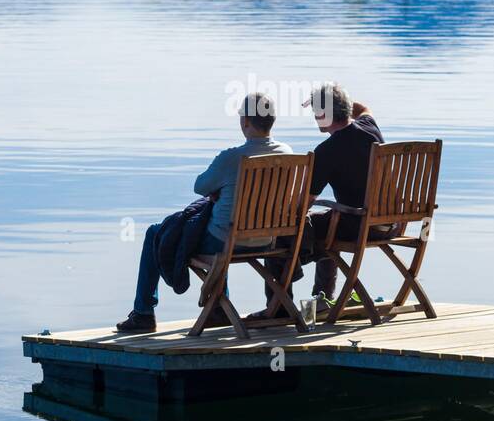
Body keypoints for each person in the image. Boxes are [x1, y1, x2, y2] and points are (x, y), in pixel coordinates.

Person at [117, 92, 291, 334]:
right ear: (272, 121)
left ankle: (144, 313)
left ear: (245, 122)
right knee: (221, 219)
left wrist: (221, 191)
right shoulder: (288, 153)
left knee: (156, 232)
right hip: (269, 241)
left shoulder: (231, 158)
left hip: (227, 241)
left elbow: (200, 187)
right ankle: (218, 310)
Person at [306, 82, 384, 313]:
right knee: (330, 220)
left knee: (305, 224)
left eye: (315, 112)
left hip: (358, 225)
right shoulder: (370, 128)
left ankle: (285, 302)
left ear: (322, 114)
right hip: (389, 223)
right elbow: (363, 108)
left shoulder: (326, 151)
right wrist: (337, 100)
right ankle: (323, 297)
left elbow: (305, 202)